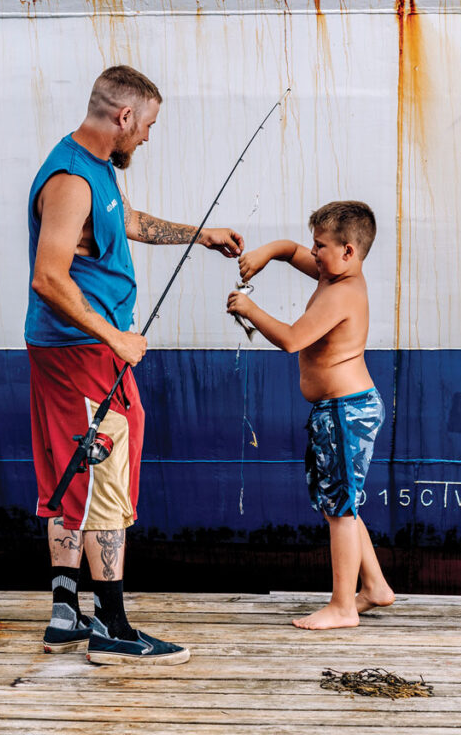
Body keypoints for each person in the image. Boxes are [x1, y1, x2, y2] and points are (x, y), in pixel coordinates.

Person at [25, 64, 243, 664]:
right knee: (103, 477)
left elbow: (129, 224)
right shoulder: (71, 181)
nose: (147, 136)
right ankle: (113, 630)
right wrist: (114, 337)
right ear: (124, 117)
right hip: (84, 354)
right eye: (146, 125)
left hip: (69, 352)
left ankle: (66, 615)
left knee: (70, 475)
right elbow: (48, 277)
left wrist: (198, 234)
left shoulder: (95, 171)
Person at [226, 201, 394, 630]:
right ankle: (374, 586)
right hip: (336, 409)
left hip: (346, 411)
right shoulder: (332, 272)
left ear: (349, 251)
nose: (313, 252)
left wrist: (249, 309)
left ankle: (342, 606)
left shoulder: (341, 293)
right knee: (340, 503)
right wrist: (267, 253)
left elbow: (292, 339)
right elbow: (293, 252)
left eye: (320, 245)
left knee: (339, 509)